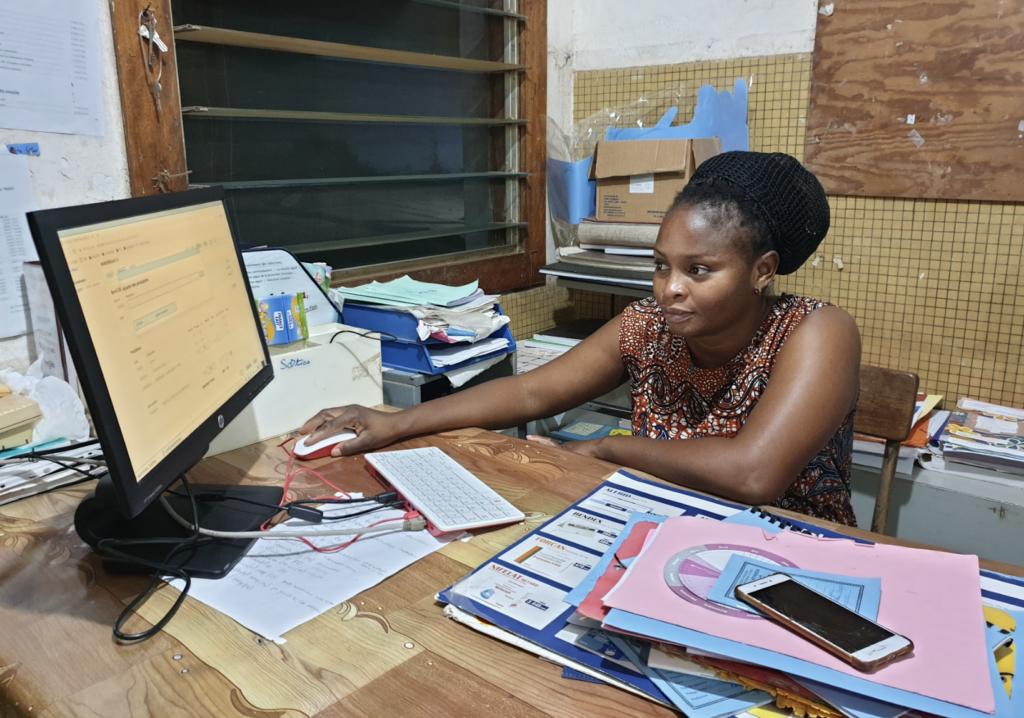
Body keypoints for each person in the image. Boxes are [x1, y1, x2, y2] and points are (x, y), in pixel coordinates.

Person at [301, 151, 861, 525]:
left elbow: (752, 475)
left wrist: (603, 449)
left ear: (762, 271)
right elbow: (530, 394)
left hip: (788, 551)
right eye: (661, 266)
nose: (671, 289)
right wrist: (396, 422)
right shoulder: (648, 324)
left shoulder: (815, 332)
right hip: (660, 524)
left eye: (699, 271)